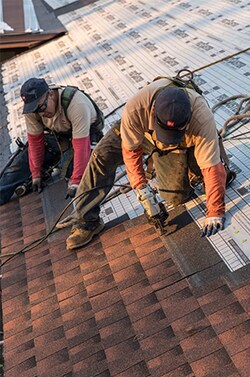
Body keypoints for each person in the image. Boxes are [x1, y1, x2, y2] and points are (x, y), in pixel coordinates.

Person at [59, 78, 227, 250]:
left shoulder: (201, 117)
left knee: (176, 197)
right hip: (142, 133)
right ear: (153, 111)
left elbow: (212, 168)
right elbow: (131, 152)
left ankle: (189, 165)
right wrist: (141, 188)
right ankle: (85, 222)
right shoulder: (135, 109)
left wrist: (215, 211)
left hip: (178, 143)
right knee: (102, 155)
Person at [20, 77, 104, 198]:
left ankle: (102, 152)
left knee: (70, 169)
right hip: (62, 137)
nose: (41, 114)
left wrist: (76, 182)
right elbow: (35, 142)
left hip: (86, 136)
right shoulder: (33, 109)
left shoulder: (76, 103)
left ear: (50, 94)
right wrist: (36, 173)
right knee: (23, 158)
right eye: (36, 111)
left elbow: (81, 146)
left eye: (42, 108)